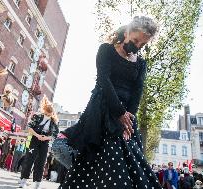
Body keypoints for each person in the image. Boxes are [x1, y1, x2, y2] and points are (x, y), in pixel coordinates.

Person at [58, 16, 161, 189]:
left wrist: (128, 116)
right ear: (127, 31)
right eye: (135, 40)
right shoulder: (106, 50)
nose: (137, 47)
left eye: (142, 45)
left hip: (126, 117)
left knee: (130, 162)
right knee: (101, 160)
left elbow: (137, 92)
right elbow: (104, 81)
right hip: (102, 110)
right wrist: (119, 112)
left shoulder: (141, 63)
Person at [19, 96, 59, 189]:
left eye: (49, 114)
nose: (47, 115)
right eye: (46, 113)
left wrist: (46, 138)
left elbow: (55, 135)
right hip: (35, 139)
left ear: (52, 113)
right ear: (44, 110)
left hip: (45, 142)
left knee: (41, 162)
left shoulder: (54, 122)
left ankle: (37, 183)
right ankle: (23, 180)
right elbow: (30, 127)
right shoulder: (37, 116)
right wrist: (37, 135)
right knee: (29, 160)